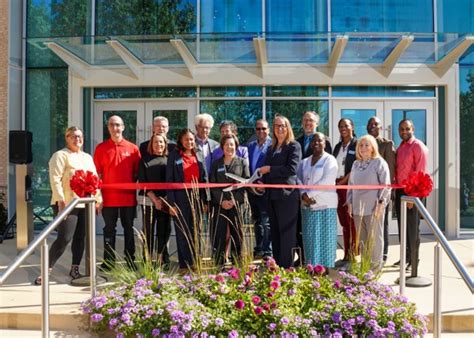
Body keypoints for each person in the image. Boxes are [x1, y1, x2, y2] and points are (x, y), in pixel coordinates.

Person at [35, 127, 101, 285]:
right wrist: (60, 200)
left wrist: (98, 199)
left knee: (80, 237)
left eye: (80, 137)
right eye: (74, 137)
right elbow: (55, 179)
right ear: (67, 138)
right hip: (67, 203)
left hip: (86, 203)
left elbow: (95, 180)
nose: (77, 139)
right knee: (64, 237)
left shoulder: (87, 157)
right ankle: (46, 270)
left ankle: (75, 268)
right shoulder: (60, 155)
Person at [94, 115, 141, 270]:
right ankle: (108, 262)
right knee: (109, 229)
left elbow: (137, 174)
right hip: (108, 199)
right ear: (108, 128)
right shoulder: (101, 148)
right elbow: (96, 175)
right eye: (112, 125)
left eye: (118, 125)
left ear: (123, 127)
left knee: (129, 229)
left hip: (128, 199)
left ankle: (130, 261)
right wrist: (98, 197)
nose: (115, 128)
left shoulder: (133, 149)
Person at [259, 115, 302, 268]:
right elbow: (265, 172)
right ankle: (277, 265)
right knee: (275, 232)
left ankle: (287, 267)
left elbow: (291, 169)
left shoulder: (294, 146)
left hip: (287, 196)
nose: (280, 128)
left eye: (283, 125)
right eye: (277, 126)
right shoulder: (271, 148)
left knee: (287, 234)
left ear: (288, 127)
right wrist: (261, 183)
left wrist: (270, 169)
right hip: (271, 196)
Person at [346, 135, 391, 272]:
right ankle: (365, 268)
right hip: (358, 208)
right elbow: (351, 185)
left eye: (367, 145)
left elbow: (386, 185)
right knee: (363, 240)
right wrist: (349, 202)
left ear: (373, 148)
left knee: (375, 239)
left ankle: (375, 269)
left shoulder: (379, 162)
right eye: (361, 145)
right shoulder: (355, 164)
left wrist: (381, 203)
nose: (363, 148)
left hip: (374, 207)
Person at [166, 128, 208, 271]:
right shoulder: (173, 156)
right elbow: (169, 180)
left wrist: (205, 200)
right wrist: (171, 204)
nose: (189, 142)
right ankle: (184, 264)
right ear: (181, 141)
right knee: (182, 231)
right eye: (186, 139)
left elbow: (205, 178)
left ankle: (196, 260)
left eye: (191, 139)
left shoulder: (199, 154)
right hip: (180, 198)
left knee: (196, 230)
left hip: (196, 198)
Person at [297, 132, 338, 268]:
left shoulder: (330, 160)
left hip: (326, 206)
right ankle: (311, 269)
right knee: (310, 240)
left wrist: (309, 194)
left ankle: (326, 271)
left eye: (319, 141)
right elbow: (298, 179)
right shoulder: (304, 162)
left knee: (325, 241)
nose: (316, 143)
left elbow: (327, 180)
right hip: (308, 207)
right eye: (313, 141)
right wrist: (303, 195)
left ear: (325, 144)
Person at [395, 119, 429, 277]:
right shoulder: (401, 147)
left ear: (413, 129)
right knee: (403, 227)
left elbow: (420, 174)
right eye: (401, 129)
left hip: (412, 193)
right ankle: (405, 257)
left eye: (407, 129)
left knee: (413, 229)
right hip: (400, 191)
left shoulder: (418, 146)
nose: (404, 132)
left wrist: (413, 196)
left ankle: (414, 261)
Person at [210, 134, 250, 266]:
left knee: (236, 235)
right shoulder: (216, 164)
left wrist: (234, 201)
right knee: (219, 234)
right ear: (222, 147)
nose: (229, 147)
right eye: (227, 144)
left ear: (236, 146)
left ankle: (237, 262)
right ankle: (219, 262)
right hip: (219, 205)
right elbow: (212, 185)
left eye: (232, 144)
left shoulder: (242, 162)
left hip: (236, 205)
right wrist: (221, 201)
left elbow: (246, 184)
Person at [138, 133, 171, 266]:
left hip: (166, 200)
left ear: (165, 144)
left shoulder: (169, 160)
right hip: (148, 200)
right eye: (156, 142)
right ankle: (147, 259)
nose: (159, 145)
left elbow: (172, 180)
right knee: (148, 230)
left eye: (161, 142)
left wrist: (164, 200)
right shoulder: (144, 160)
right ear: (151, 144)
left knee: (164, 230)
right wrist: (156, 200)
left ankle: (161, 258)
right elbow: (142, 181)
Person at [367, 116, 396, 263]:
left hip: (381, 194)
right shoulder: (364, 144)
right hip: (366, 194)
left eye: (376, 124)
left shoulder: (386, 144)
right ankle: (370, 253)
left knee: (382, 223)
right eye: (370, 124)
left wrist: (387, 194)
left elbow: (390, 169)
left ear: (380, 127)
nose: (372, 126)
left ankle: (383, 254)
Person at [332, 118, 357, 267]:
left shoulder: (357, 144)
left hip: (349, 186)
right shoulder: (337, 147)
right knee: (344, 222)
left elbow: (356, 166)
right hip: (337, 186)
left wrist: (343, 181)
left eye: (346, 126)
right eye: (340, 126)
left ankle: (353, 255)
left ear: (352, 127)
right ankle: (347, 253)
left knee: (351, 221)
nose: (343, 128)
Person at [247, 119, 272, 259]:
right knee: (257, 221)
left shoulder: (273, 146)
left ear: (268, 130)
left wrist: (263, 184)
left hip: (265, 190)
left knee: (266, 221)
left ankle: (268, 251)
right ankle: (259, 248)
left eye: (263, 128)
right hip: (252, 190)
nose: (261, 131)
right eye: (258, 129)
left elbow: (272, 166)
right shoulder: (250, 146)